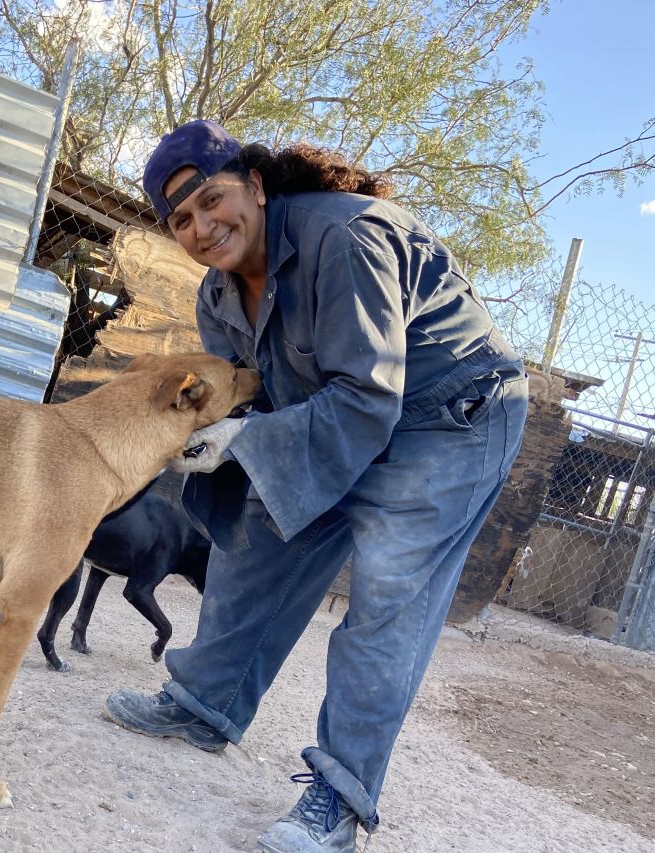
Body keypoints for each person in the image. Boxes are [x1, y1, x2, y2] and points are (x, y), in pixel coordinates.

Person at [103, 120, 528, 852]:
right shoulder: (217, 297)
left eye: (213, 200)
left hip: (450, 414)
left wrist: (250, 439)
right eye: (182, 220)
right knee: (255, 532)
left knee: (389, 590)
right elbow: (257, 399)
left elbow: (368, 397)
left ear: (255, 185)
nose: (204, 227)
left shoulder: (347, 237)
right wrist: (204, 438)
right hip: (342, 409)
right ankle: (205, 703)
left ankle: (339, 797)